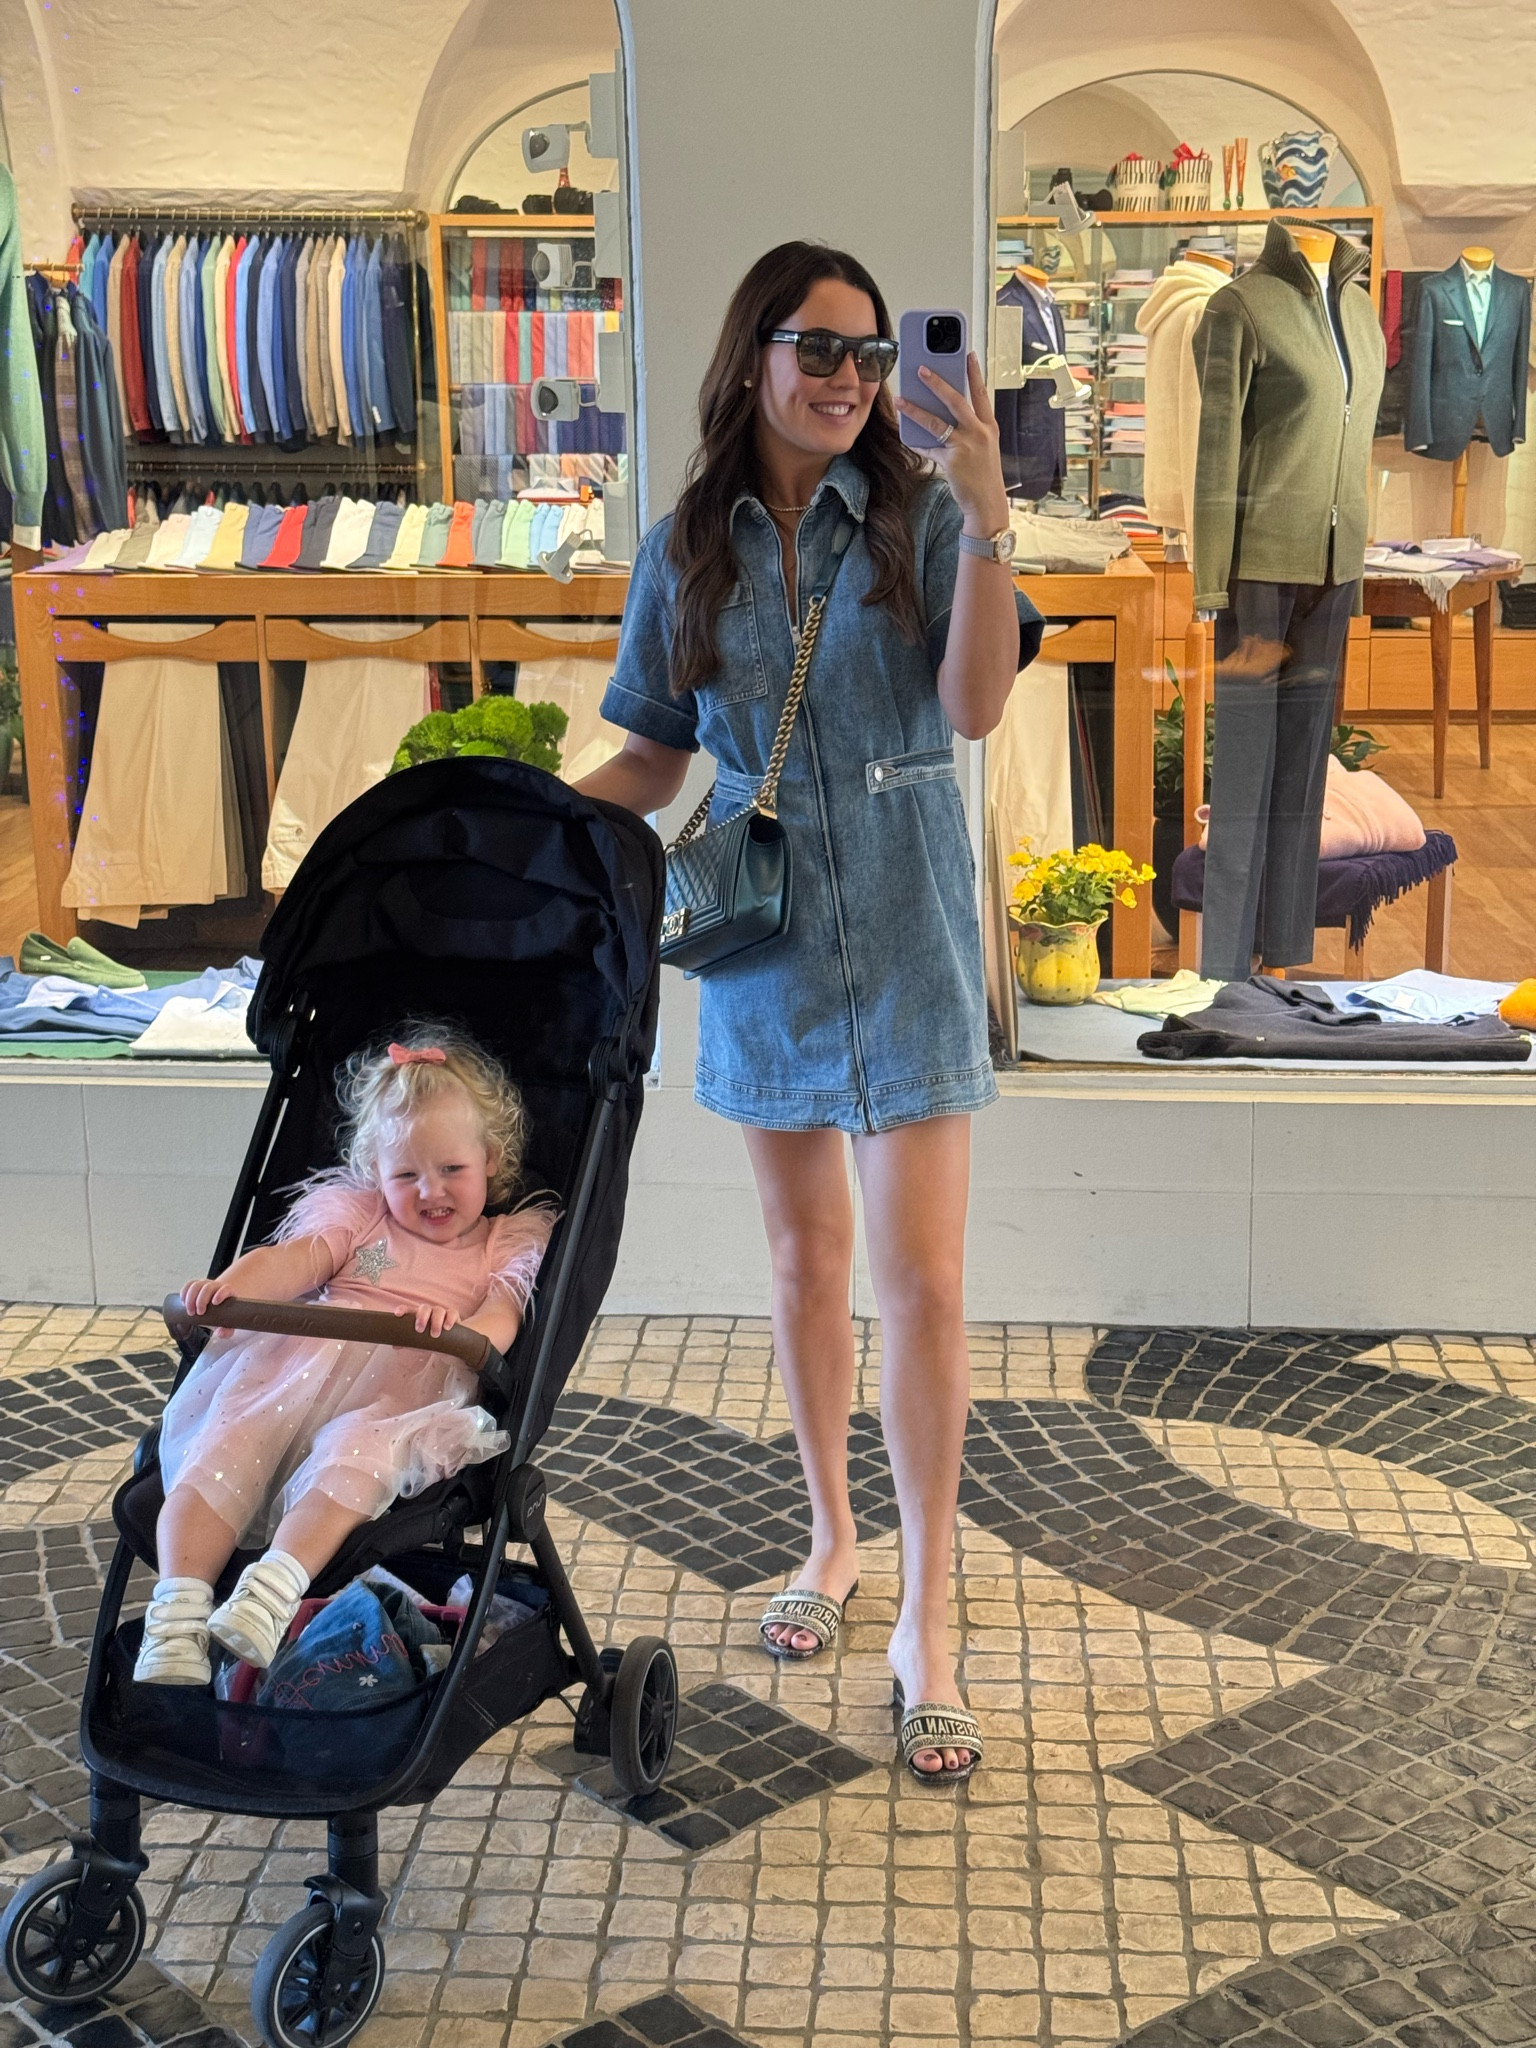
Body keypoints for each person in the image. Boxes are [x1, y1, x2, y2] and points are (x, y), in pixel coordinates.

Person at [579, 242, 1040, 1781]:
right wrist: (524, 814)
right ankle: (831, 1538)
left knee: (924, 1285)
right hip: (761, 937)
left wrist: (988, 513)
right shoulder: (682, 549)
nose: (849, 379)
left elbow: (973, 709)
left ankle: (927, 1615)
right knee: (803, 1262)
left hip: (909, 928)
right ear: (755, 356)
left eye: (868, 354)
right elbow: (652, 755)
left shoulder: (921, 518)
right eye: (819, 349)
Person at [134, 1025, 555, 1687]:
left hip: (402, 1390)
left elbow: (502, 1317)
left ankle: (270, 1591)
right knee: (223, 1446)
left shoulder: (502, 1240)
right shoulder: (361, 1216)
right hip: (295, 1369)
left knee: (357, 1457)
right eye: (406, 1174)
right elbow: (293, 1261)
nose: (430, 1192)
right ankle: (176, 1616)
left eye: (452, 1170)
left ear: (491, 1161)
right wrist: (231, 1289)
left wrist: (465, 1332)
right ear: (377, 1174)